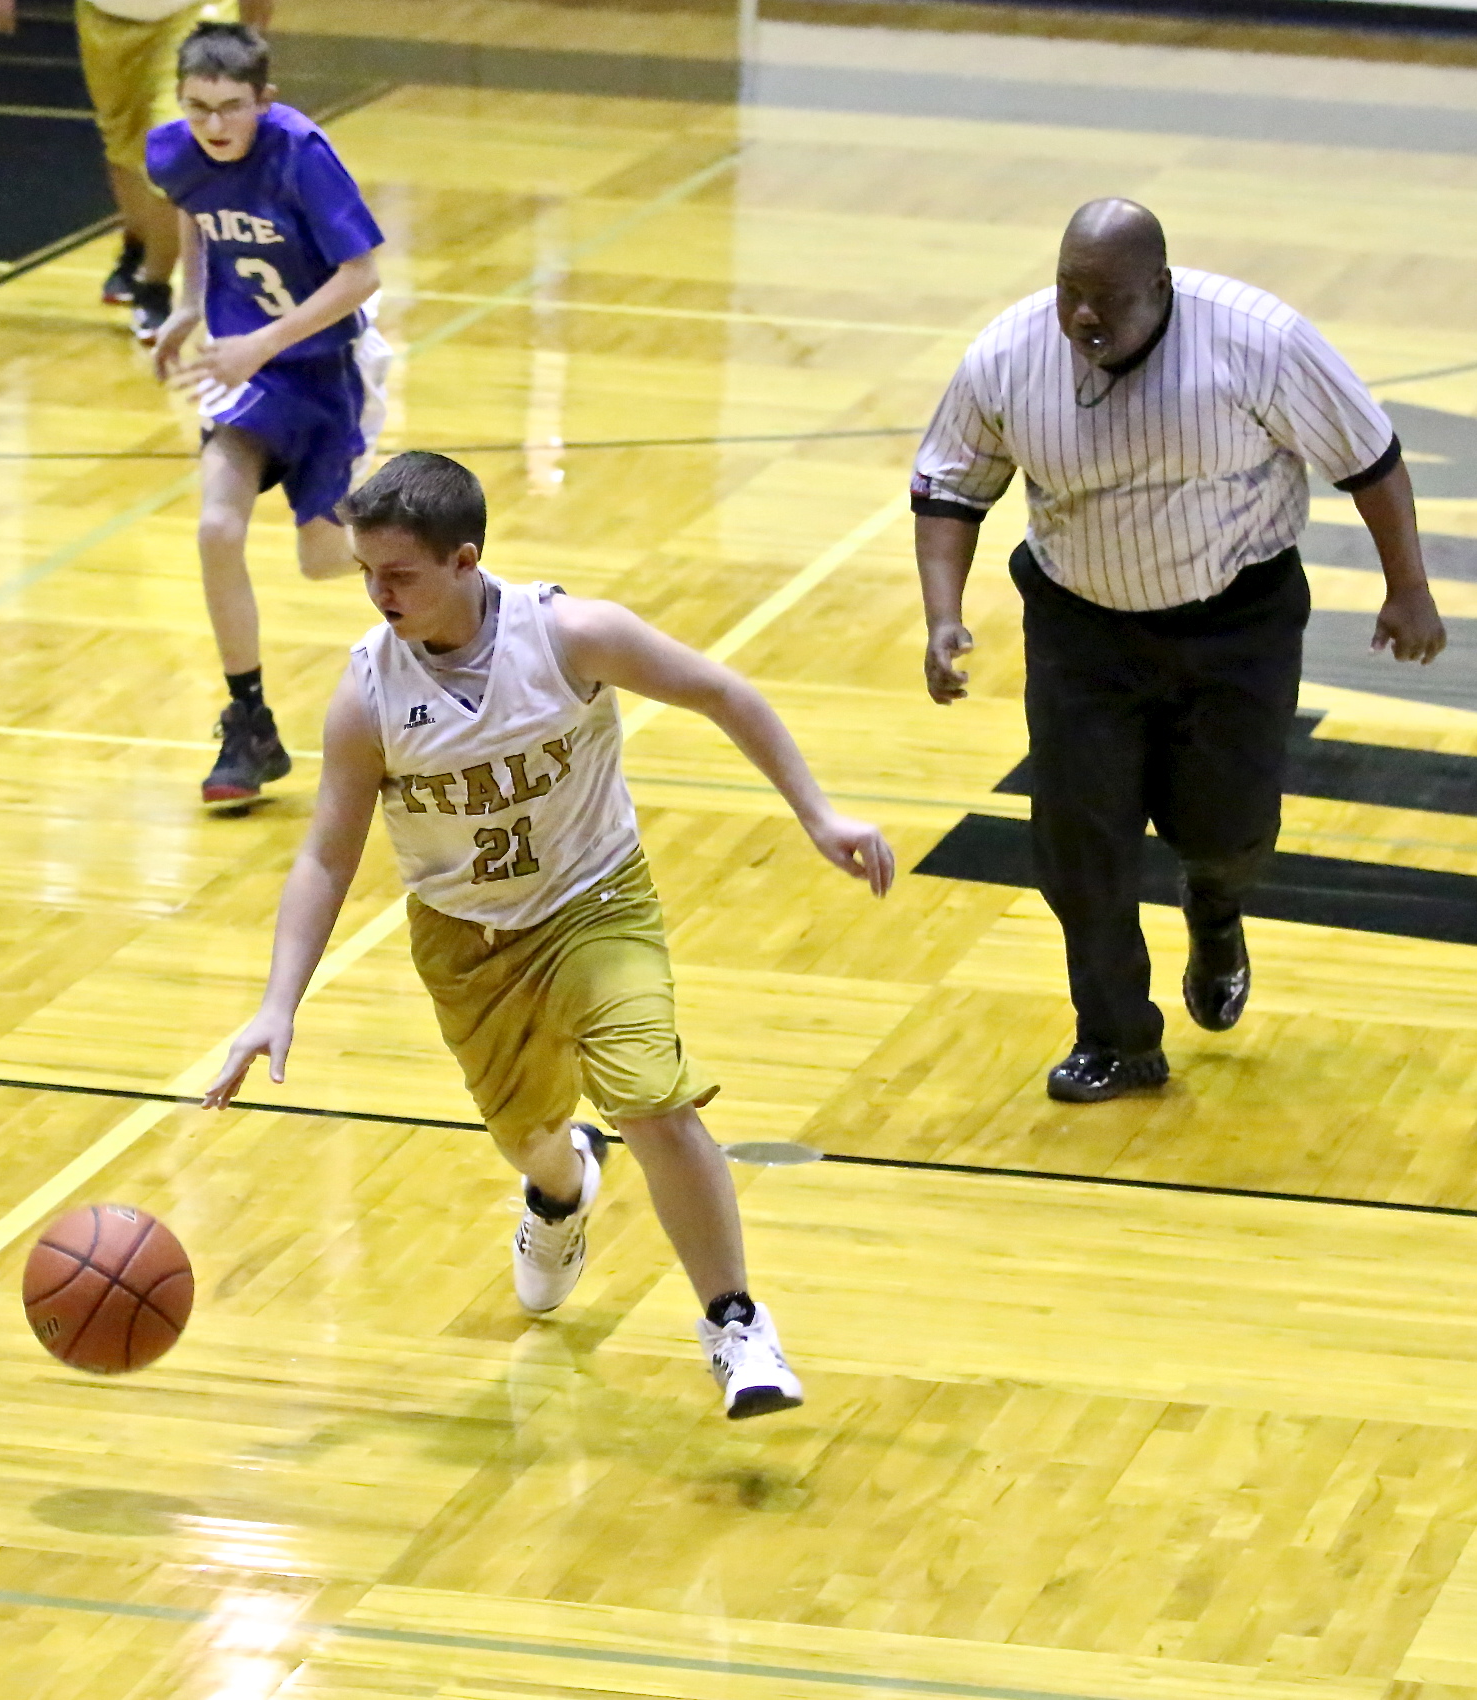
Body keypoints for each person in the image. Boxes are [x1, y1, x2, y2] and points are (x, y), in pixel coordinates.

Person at [202, 453, 896, 1418]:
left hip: (595, 901)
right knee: (528, 1141)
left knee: (653, 1101)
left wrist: (819, 815)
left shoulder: (569, 634)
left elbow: (721, 692)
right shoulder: (368, 695)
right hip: (466, 941)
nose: (377, 593)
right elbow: (326, 856)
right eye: (365, 572)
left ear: (465, 560)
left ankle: (736, 1326)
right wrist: (278, 1003)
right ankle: (561, 1191)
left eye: (397, 574)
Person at [912, 198, 1446, 1104]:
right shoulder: (1007, 354)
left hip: (1236, 626)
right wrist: (941, 616)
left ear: (1160, 285)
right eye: (1069, 291)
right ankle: (1117, 1038)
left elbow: (1371, 458)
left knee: (1228, 830)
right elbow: (949, 488)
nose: (1084, 315)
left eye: (1108, 297)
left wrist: (1409, 589)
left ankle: (1216, 900)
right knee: (1079, 846)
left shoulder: (1259, 341)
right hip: (1082, 632)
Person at [147, 20, 391, 808]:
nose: (213, 124)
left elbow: (361, 275)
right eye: (197, 107)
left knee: (322, 560)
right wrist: (190, 304)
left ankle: (434, 564)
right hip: (244, 369)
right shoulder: (175, 151)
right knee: (217, 527)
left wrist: (264, 343)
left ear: (264, 100)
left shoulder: (301, 154)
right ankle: (249, 724)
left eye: (230, 107)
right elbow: (194, 212)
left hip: (326, 368)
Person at [0, 0, 273, 340]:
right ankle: (137, 243)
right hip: (104, 18)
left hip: (193, 15)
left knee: (180, 147)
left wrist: (253, 36)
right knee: (123, 143)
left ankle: (155, 284)